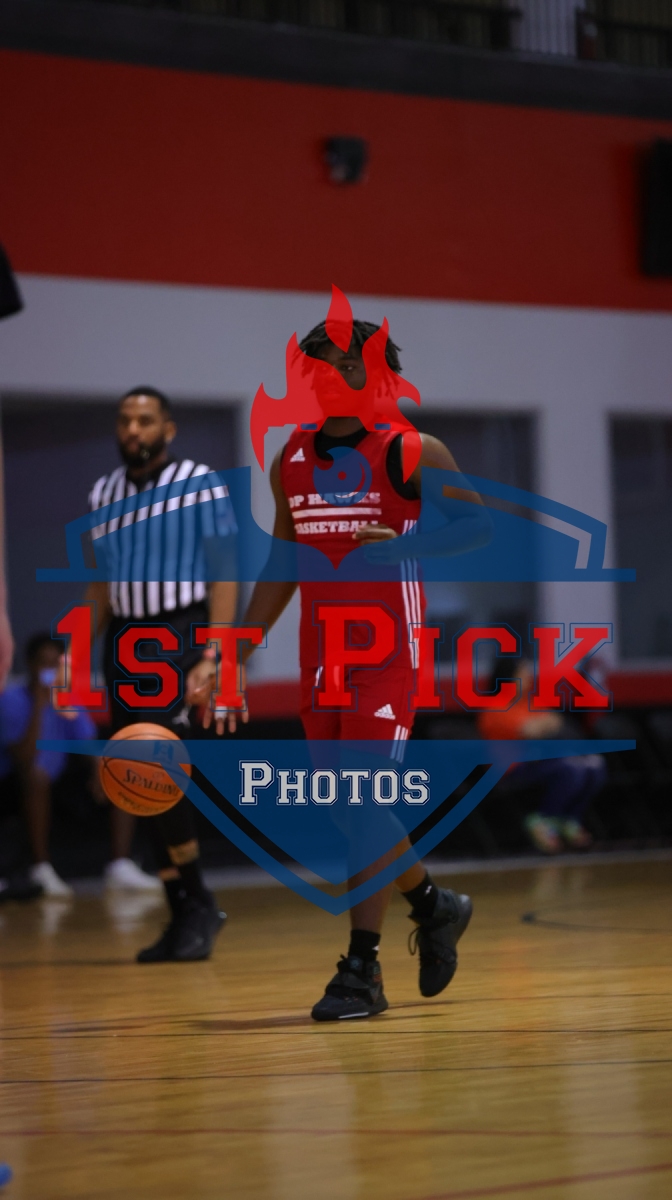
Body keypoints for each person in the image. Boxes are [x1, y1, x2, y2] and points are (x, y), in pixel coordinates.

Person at [221, 316, 485, 1020]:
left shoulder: (410, 448)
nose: (334, 375)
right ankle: (434, 904)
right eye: (322, 364)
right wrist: (237, 650)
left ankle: (361, 970)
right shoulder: (291, 455)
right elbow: (282, 563)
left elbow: (478, 527)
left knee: (363, 798)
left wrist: (406, 545)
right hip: (321, 657)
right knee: (344, 806)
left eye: (350, 362)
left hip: (389, 652)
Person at [84, 386, 237, 960]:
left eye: (145, 420)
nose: (133, 430)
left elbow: (225, 572)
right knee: (132, 777)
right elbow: (102, 584)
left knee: (156, 767)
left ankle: (198, 902)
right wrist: (77, 649)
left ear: (168, 429)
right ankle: (183, 911)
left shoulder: (200, 482)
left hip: (180, 634)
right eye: (125, 420)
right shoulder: (103, 491)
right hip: (124, 638)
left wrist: (215, 654)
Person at [0, 633, 99, 895]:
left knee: (118, 771)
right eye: (44, 664)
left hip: (61, 780)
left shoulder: (67, 698)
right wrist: (39, 705)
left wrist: (101, 771)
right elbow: (24, 757)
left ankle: (120, 866)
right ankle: (40, 868)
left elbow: (88, 745)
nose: (49, 671)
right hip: (14, 783)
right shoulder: (11, 699)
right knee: (36, 777)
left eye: (55, 664)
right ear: (30, 665)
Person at [478, 659, 606, 854]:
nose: (529, 678)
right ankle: (543, 819)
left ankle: (568, 819)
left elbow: (556, 721)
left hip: (539, 763)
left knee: (594, 765)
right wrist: (542, 725)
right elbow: (529, 730)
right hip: (510, 771)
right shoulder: (495, 706)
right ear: (508, 678)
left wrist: (542, 725)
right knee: (571, 768)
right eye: (523, 674)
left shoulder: (528, 702)